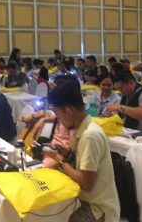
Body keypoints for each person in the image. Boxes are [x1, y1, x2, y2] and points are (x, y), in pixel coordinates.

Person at [42, 82, 120, 222]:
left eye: (58, 113)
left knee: (52, 216)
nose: (58, 118)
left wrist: (60, 160)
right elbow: (85, 166)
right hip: (87, 200)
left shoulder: (90, 135)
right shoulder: (84, 129)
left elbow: (86, 183)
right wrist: (67, 154)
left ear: (69, 111)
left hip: (98, 209)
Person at [33, 76, 79, 167]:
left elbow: (70, 153)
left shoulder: (72, 122)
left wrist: (46, 168)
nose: (51, 91)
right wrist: (44, 119)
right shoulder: (63, 115)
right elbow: (57, 117)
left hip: (59, 162)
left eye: (54, 88)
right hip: (51, 156)